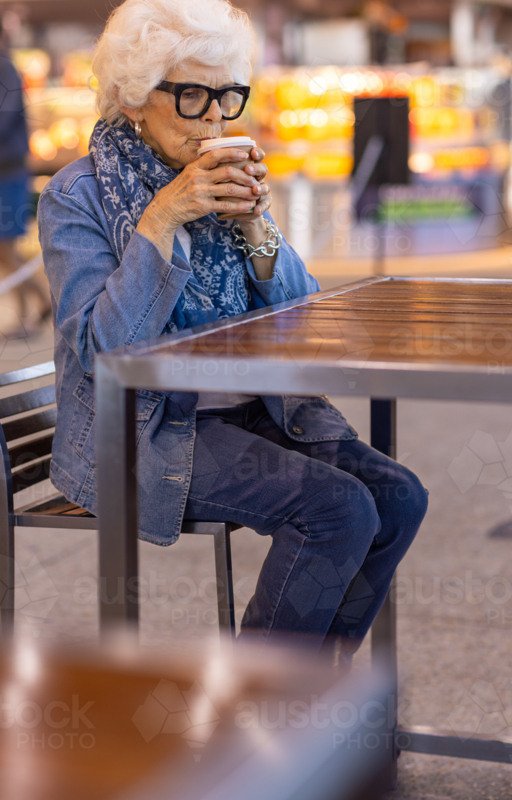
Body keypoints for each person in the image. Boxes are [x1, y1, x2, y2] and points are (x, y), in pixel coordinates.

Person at [38, 0, 428, 658]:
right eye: (192, 96)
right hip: (145, 428)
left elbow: (304, 311)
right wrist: (162, 220)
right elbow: (105, 353)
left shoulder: (222, 181)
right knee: (338, 509)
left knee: (398, 497)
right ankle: (258, 706)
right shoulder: (77, 197)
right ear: (134, 97)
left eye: (227, 97)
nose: (214, 118)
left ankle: (309, 696)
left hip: (258, 409)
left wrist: (257, 228)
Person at [0, 46, 50, 334]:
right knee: (4, 252)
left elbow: (3, 122)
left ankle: (28, 312)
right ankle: (41, 302)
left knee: (6, 249)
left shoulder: (5, 68)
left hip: (9, 173)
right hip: (6, 172)